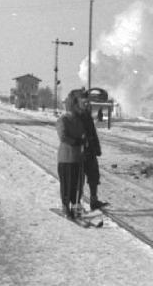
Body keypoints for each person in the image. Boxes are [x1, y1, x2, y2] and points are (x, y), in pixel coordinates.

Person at [56, 89, 87, 219]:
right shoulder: (63, 119)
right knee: (66, 184)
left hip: (77, 158)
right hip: (66, 158)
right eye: (76, 106)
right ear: (71, 106)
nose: (79, 108)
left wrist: (85, 141)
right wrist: (77, 141)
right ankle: (65, 207)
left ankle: (75, 206)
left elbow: (84, 134)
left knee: (77, 184)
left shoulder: (79, 121)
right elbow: (63, 137)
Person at [81, 90, 109, 210]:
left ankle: (94, 200)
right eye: (85, 102)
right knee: (79, 179)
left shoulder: (87, 115)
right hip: (81, 151)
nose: (87, 104)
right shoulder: (78, 115)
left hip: (90, 151)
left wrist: (97, 148)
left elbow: (93, 133)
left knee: (94, 177)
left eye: (88, 102)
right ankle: (77, 203)